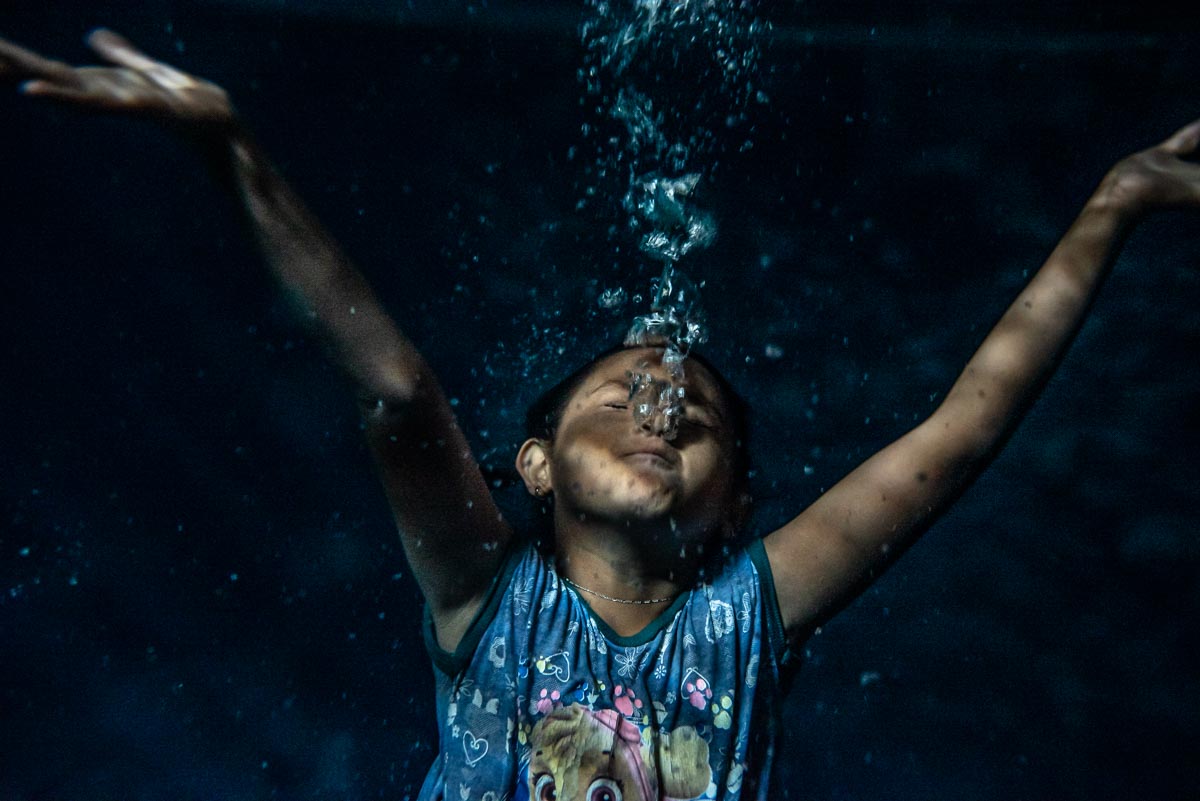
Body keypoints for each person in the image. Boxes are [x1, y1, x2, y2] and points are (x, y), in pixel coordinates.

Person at [2, 28, 1198, 801]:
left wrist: (1115, 203)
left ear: (740, 503)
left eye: (698, 416)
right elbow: (397, 389)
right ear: (532, 463)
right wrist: (233, 150)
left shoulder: (745, 621)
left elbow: (958, 436)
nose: (659, 405)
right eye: (617, 391)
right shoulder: (487, 598)